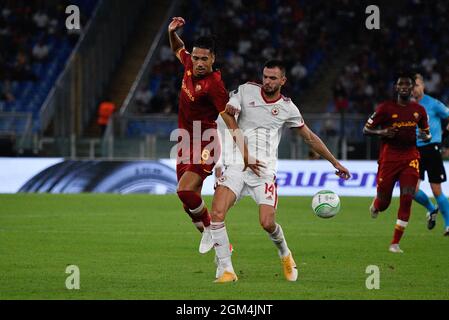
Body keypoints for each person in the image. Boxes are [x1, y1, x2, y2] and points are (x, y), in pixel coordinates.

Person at [207, 60, 351, 283]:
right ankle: (226, 270)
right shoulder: (246, 91)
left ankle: (285, 253)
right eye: (265, 76)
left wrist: (334, 162)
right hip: (237, 164)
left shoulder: (287, 108)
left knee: (266, 223)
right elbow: (231, 102)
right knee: (216, 213)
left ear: (283, 81)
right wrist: (232, 105)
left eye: (273, 78)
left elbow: (310, 138)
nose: (267, 81)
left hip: (264, 171)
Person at [167, 17, 262, 253]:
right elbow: (178, 48)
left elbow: (231, 124)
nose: (199, 63)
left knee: (185, 190)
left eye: (204, 59)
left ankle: (211, 229)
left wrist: (247, 156)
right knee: (188, 204)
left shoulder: (214, 86)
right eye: (196, 58)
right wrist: (171, 32)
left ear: (213, 59)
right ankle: (223, 247)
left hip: (205, 141)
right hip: (184, 141)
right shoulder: (189, 63)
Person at [363, 74, 431, 253]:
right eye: (401, 84)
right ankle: (376, 205)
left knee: (407, 196)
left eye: (408, 85)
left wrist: (426, 136)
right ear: (396, 87)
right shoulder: (385, 108)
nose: (404, 87)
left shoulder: (419, 110)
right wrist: (384, 132)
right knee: (384, 203)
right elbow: (366, 129)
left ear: (411, 88)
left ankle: (395, 243)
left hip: (410, 157)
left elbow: (427, 132)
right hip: (389, 158)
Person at [412, 73, 449, 236]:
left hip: (432, 149)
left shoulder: (433, 104)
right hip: (414, 150)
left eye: (417, 84)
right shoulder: (407, 106)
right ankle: (431, 209)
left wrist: (444, 137)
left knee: (436, 190)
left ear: (423, 86)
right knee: (411, 190)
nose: (415, 88)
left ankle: (448, 225)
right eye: (412, 85)